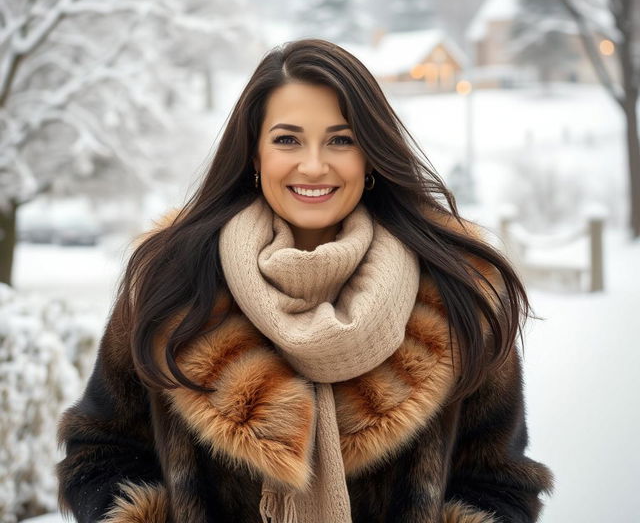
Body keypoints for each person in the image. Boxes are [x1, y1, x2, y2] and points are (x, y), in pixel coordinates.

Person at [56, 38, 554, 523]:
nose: (314, 165)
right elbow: (102, 449)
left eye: (341, 139)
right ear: (254, 154)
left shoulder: (455, 290)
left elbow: (498, 479)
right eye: (287, 139)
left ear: (370, 155)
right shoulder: (173, 280)